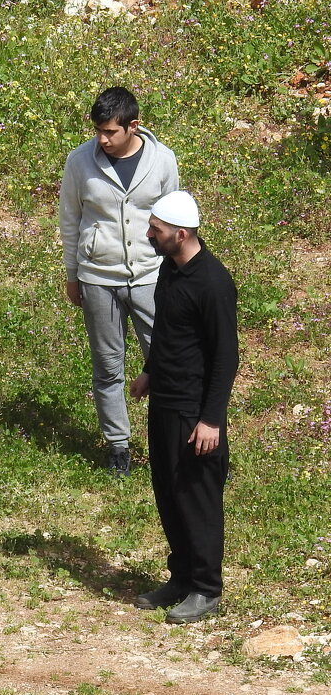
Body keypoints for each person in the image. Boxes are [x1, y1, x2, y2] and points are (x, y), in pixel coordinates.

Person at [129, 190, 238, 624]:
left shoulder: (212, 282)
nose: (149, 235)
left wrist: (211, 418)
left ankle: (207, 588)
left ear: (180, 233)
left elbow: (225, 356)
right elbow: (170, 333)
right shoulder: (171, 270)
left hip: (195, 412)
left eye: (156, 230)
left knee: (198, 498)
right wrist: (150, 371)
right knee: (169, 493)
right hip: (165, 402)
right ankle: (181, 578)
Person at [59, 87, 179, 476]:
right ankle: (117, 447)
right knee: (107, 365)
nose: (103, 140)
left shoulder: (162, 160)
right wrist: (73, 274)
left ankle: (178, 442)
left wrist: (177, 274)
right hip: (97, 278)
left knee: (167, 360)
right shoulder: (80, 161)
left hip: (151, 276)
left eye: (110, 132)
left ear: (133, 126)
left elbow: (174, 221)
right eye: (98, 131)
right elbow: (71, 221)